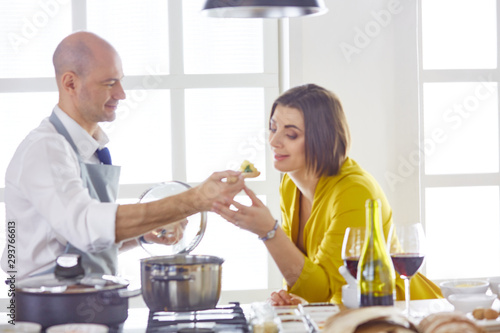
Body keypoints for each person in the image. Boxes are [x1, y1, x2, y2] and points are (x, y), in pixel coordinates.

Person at [1, 31, 245, 280]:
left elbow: (83, 243)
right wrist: (195, 199)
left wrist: (143, 234)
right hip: (49, 310)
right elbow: (86, 227)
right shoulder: (46, 149)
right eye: (109, 83)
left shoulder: (90, 149)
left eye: (120, 81)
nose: (122, 94)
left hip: (87, 303)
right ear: (70, 83)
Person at [213, 84, 442, 305]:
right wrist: (289, 297)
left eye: (291, 135)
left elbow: (322, 292)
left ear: (321, 139)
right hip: (341, 317)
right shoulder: (290, 184)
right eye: (273, 128)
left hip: (395, 316)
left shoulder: (354, 192)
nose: (273, 141)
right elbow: (305, 278)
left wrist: (269, 232)